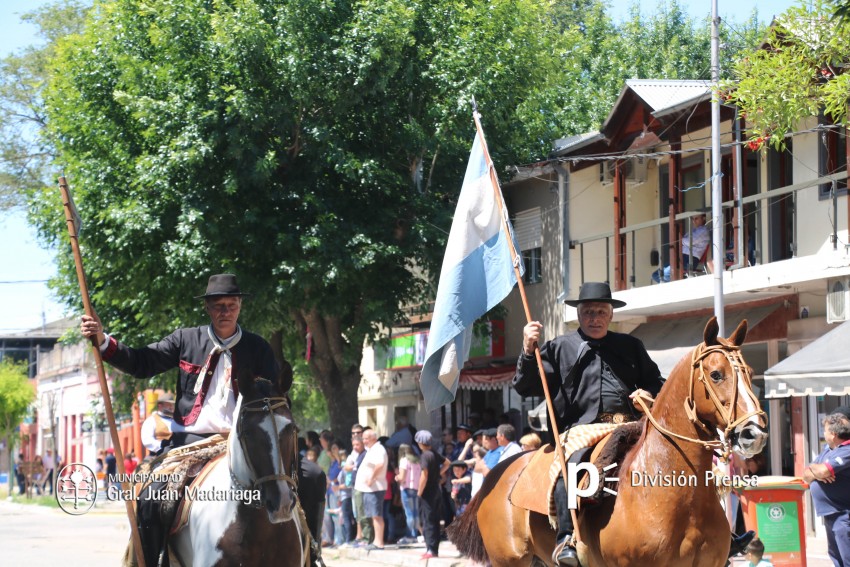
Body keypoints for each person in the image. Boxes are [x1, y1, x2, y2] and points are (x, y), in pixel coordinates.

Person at [80, 274, 323, 566]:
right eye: (218, 305)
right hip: (191, 441)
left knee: (313, 476)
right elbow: (142, 362)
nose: (225, 311)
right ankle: (150, 561)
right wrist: (104, 341)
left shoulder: (257, 348)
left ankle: (314, 554)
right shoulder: (185, 339)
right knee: (151, 493)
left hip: (248, 440)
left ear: (240, 307)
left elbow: (276, 400)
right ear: (207, 307)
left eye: (231, 305)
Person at [512, 281, 666, 566]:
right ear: (579, 316)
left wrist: (648, 394)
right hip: (581, 429)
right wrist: (526, 349)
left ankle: (713, 532)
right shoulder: (558, 348)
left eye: (600, 312)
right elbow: (526, 386)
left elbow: (657, 384)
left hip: (630, 426)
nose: (594, 318)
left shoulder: (631, 346)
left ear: (611, 315)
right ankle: (567, 539)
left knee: (678, 459)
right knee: (569, 468)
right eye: (588, 313)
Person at [803, 411, 850, 567]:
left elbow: (823, 471)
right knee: (836, 557)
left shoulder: (847, 450)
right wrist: (815, 470)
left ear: (833, 434)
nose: (823, 433)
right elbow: (806, 475)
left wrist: (819, 472)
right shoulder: (828, 450)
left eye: (825, 430)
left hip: (843, 514)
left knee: (847, 558)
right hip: (830, 514)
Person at [415, 430, 449, 560]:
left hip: (428, 492)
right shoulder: (434, 453)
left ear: (420, 443)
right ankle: (434, 549)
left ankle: (430, 549)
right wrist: (438, 474)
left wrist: (419, 491)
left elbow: (424, 475)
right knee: (434, 520)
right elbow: (447, 463)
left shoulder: (425, 456)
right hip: (436, 489)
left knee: (428, 520)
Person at [652, 213, 711, 283]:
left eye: (696, 218)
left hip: (689, 260)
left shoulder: (703, 231)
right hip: (681, 258)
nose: (694, 221)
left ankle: (672, 289)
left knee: (662, 275)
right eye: (692, 219)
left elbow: (689, 241)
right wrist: (682, 240)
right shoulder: (693, 231)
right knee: (655, 275)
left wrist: (681, 240)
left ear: (703, 218)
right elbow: (684, 241)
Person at [356, 429, 388, 550]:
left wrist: (371, 478)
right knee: (374, 516)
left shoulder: (378, 449)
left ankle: (379, 542)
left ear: (373, 438)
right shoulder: (372, 450)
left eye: (366, 438)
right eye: (363, 438)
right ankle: (376, 541)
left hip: (375, 488)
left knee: (377, 516)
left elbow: (380, 464)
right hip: (370, 489)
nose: (364, 441)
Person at [395, 443, 421, 544]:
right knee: (415, 513)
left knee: (409, 513)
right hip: (416, 489)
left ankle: (411, 535)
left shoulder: (404, 460)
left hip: (406, 489)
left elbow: (402, 477)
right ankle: (415, 534)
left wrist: (396, 476)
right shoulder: (417, 461)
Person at [140, 392, 178, 457]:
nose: (171, 407)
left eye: (172, 404)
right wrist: (162, 445)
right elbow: (147, 441)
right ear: (160, 406)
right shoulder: (151, 421)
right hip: (158, 455)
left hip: (177, 453)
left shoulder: (176, 420)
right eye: (168, 404)